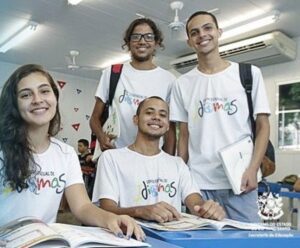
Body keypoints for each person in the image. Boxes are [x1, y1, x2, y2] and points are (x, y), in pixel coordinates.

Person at [0, 64, 145, 241]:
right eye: (26, 95)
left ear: (55, 97)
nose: (37, 99)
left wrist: (111, 218)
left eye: (44, 91)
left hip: (44, 243)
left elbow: (82, 206)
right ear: (14, 104)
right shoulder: (3, 150)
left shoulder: (66, 154)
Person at [169, 11, 271, 222]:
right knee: (203, 243)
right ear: (189, 41)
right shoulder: (182, 84)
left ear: (219, 32)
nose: (202, 35)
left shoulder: (249, 74)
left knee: (248, 242)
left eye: (208, 28)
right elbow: (184, 136)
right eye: (194, 32)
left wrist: (253, 168)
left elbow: (263, 126)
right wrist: (180, 177)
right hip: (199, 185)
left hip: (240, 181)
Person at [92, 96, 225, 223]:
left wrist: (208, 209)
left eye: (162, 115)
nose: (156, 117)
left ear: (167, 126)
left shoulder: (177, 164)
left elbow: (195, 203)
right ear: (136, 119)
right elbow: (106, 209)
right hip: (129, 237)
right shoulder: (111, 158)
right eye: (149, 112)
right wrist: (140, 211)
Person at [90, 18, 176, 155]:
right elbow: (95, 118)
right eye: (136, 37)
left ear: (156, 42)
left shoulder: (169, 80)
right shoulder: (112, 73)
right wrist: (101, 137)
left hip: (151, 158)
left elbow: (170, 128)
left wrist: (168, 161)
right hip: (115, 154)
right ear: (128, 42)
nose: (142, 41)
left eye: (148, 37)